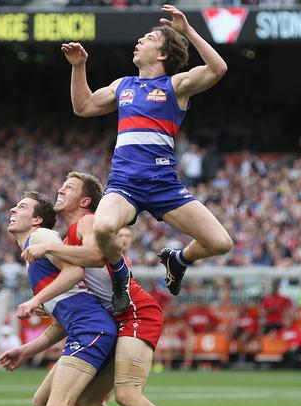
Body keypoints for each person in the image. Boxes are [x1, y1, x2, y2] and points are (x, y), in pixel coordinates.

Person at [22, 172, 203, 406]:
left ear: (85, 201)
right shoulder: (68, 237)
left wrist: (46, 252)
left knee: (129, 395)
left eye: (69, 186)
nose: (60, 188)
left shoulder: (87, 222)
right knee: (86, 403)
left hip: (136, 311)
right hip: (115, 319)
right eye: (61, 183)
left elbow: (93, 256)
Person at [61, 4, 233, 313]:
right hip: (125, 184)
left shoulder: (175, 86)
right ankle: (120, 278)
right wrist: (78, 67)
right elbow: (83, 107)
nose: (139, 41)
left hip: (163, 185)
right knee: (102, 228)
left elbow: (218, 69)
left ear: (163, 53)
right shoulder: (122, 85)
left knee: (220, 243)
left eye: (149, 37)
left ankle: (178, 260)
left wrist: (188, 31)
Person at [0, 191, 150, 406]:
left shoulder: (41, 236)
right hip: (85, 329)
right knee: (43, 404)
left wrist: (34, 301)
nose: (13, 210)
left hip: (91, 329)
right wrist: (26, 350)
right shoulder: (33, 253)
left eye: (22, 207)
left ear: (38, 219)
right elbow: (59, 323)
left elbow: (75, 270)